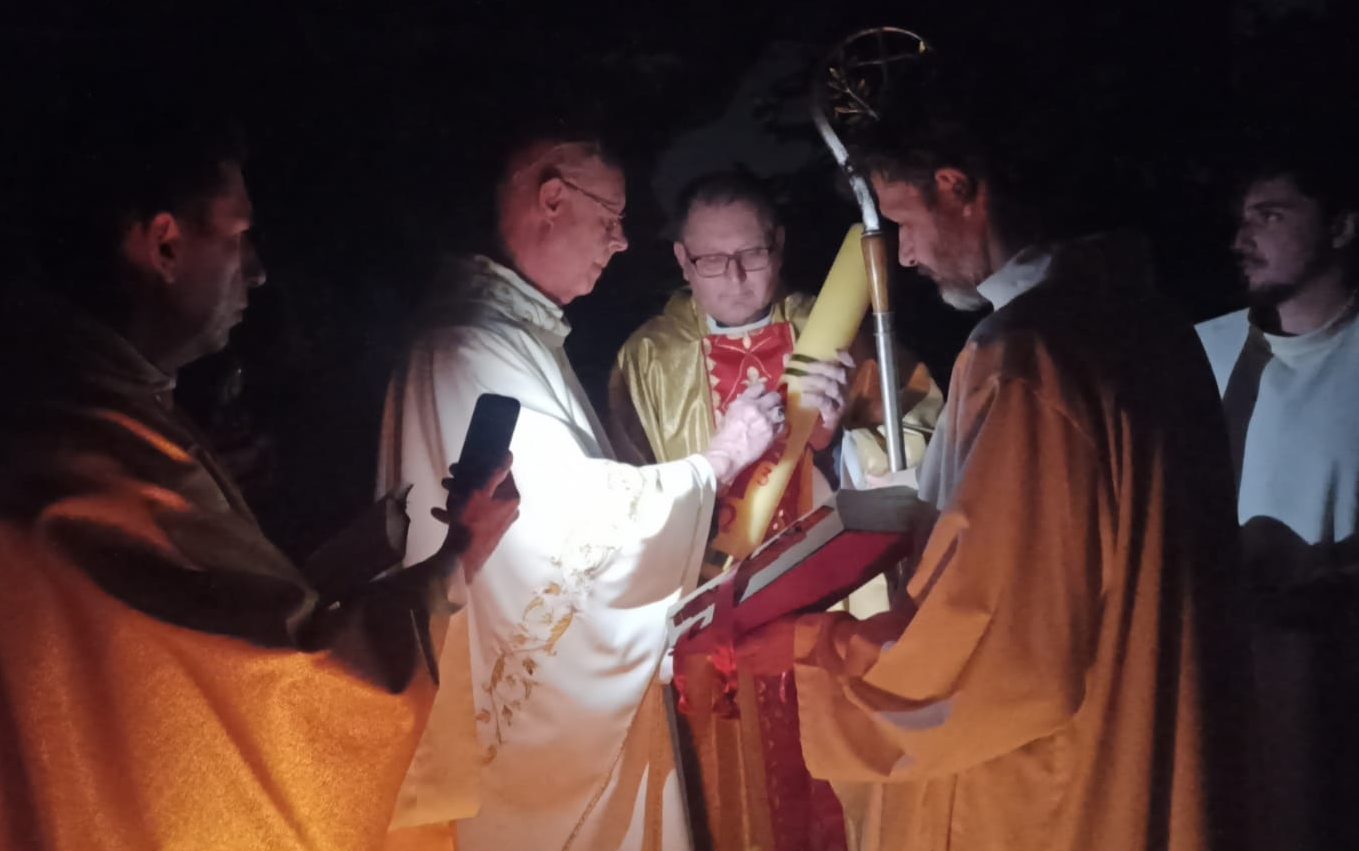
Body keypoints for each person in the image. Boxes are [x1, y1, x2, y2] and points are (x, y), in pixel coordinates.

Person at [748, 71, 1246, 851]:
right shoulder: (1148, 321)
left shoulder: (1026, 356)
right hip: (1148, 739)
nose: (903, 253)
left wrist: (814, 647)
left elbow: (999, 645)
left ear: (956, 188)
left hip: (1055, 784)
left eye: (904, 220)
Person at [0, 110, 520, 851]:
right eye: (238, 236)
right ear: (165, 244)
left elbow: (209, 611)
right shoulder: (91, 451)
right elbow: (292, 699)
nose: (257, 270)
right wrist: (456, 561)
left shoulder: (98, 401)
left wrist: (351, 556)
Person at [377, 134, 797, 851]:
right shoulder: (471, 345)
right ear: (551, 199)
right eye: (610, 217)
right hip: (537, 744)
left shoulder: (514, 334)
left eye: (751, 253)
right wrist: (718, 459)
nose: (620, 240)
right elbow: (577, 525)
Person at [609, 170, 942, 545]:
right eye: (713, 260)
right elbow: (629, 494)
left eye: (751, 254)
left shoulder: (835, 326)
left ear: (778, 244)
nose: (735, 278)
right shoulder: (648, 357)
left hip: (826, 553)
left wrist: (840, 441)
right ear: (683, 259)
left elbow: (923, 445)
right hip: (705, 565)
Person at [1196, 144, 1359, 851]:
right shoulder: (1203, 353)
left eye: (1270, 216)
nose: (1242, 239)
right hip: (1227, 688)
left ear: (1340, 227)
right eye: (1241, 219)